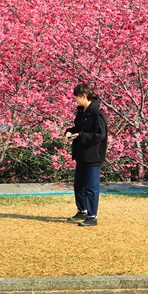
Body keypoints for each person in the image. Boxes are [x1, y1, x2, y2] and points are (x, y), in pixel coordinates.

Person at [66, 83, 109, 227]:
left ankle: (92, 216)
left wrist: (81, 136)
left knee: (91, 187)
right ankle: (82, 210)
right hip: (81, 155)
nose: (75, 100)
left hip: (93, 156)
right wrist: (70, 131)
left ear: (84, 96)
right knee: (79, 185)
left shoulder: (97, 114)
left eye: (77, 97)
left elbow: (100, 134)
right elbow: (78, 128)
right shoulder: (81, 113)